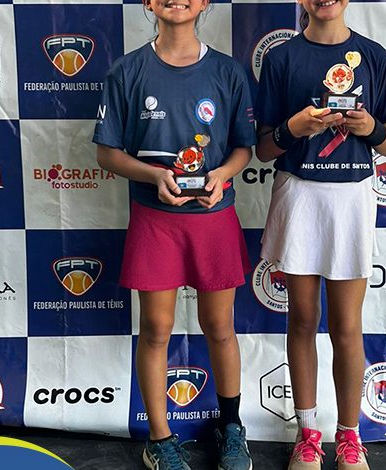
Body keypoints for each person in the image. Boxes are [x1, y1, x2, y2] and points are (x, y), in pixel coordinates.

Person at [92, 0, 256, 467]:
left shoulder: (228, 71)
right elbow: (106, 153)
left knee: (220, 327)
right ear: (148, 3)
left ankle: (232, 427)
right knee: (156, 330)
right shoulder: (127, 71)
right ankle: (160, 439)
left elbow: (244, 148)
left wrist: (222, 174)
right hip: (154, 220)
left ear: (204, 3)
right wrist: (153, 175)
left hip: (214, 217)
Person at [254, 0, 386, 468]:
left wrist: (370, 127)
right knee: (302, 319)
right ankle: (307, 434)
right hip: (300, 195)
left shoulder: (373, 55)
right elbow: (263, 149)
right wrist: (293, 128)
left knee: (346, 326)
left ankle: (350, 436)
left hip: (352, 198)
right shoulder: (281, 57)